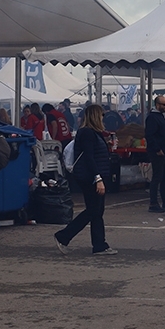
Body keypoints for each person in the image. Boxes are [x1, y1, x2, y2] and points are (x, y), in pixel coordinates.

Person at [54, 105, 116, 255]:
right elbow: (89, 157)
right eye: (101, 116)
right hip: (90, 177)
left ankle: (99, 244)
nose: (103, 118)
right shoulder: (88, 133)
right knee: (94, 210)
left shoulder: (92, 133)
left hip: (90, 176)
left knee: (96, 210)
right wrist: (98, 178)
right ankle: (64, 235)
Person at [145, 96, 165, 213]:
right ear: (157, 105)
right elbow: (149, 135)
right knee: (157, 177)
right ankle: (153, 202)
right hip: (157, 151)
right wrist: (157, 149)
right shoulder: (152, 117)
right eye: (164, 104)